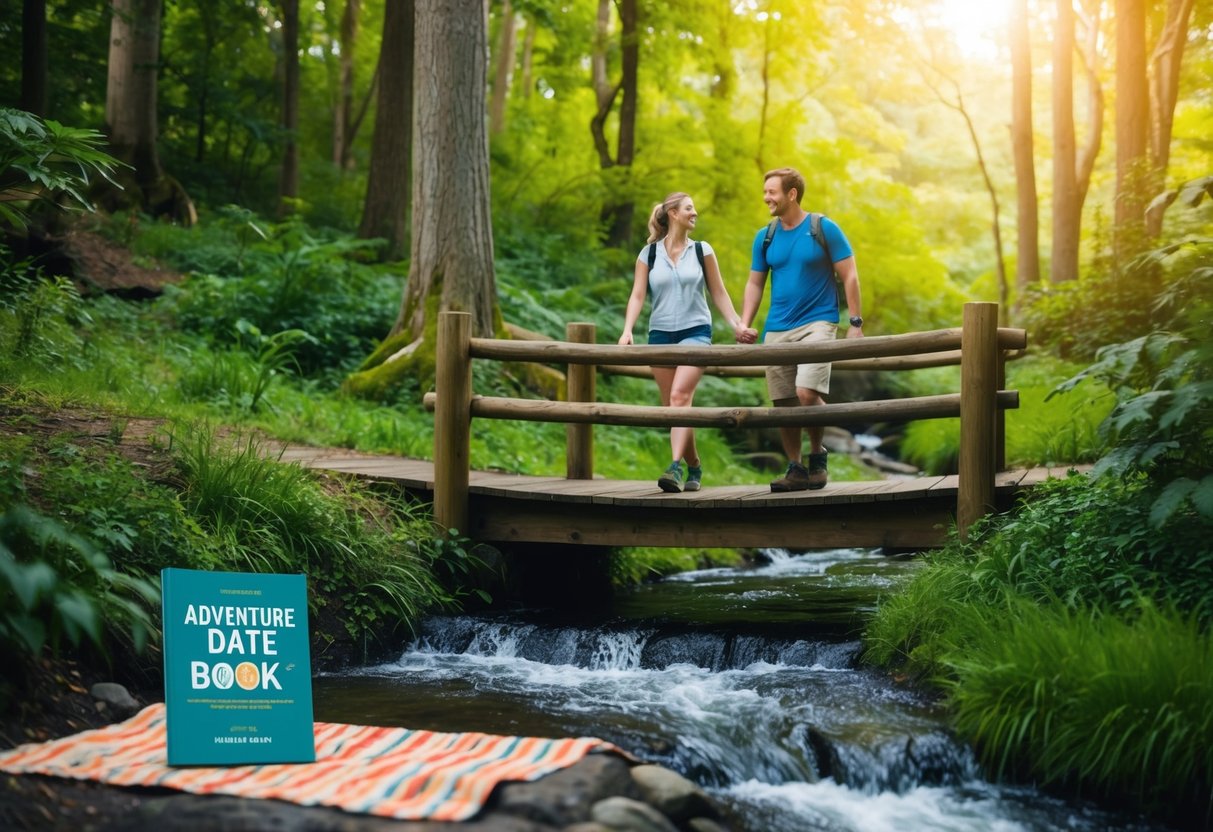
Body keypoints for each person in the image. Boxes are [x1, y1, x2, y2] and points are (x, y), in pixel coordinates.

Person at [738, 167, 865, 492]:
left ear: (791, 194)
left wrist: (855, 321)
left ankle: (817, 455)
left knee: (807, 393)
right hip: (777, 327)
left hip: (819, 322)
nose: (766, 197)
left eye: (772, 191)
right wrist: (744, 322)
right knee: (784, 403)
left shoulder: (823, 228)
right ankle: (795, 468)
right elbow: (755, 283)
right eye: (765, 191)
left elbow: (849, 274)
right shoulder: (765, 236)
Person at [620, 192, 752, 493]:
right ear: (673, 214)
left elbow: (718, 292)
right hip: (660, 336)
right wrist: (627, 330)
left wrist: (737, 325)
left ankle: (675, 467)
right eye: (689, 208)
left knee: (680, 398)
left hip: (696, 332)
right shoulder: (649, 254)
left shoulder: (703, 250)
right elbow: (638, 294)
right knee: (674, 408)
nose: (695, 213)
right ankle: (695, 465)